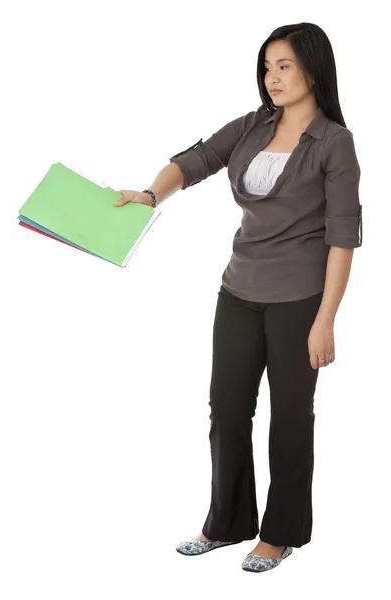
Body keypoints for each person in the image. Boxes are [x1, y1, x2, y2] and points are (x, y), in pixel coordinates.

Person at [115, 22, 363, 573]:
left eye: (285, 66)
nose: (272, 78)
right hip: (238, 291)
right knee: (226, 410)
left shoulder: (334, 143)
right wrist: (152, 193)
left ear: (314, 69)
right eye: (267, 66)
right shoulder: (252, 127)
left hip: (300, 299)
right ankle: (226, 522)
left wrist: (326, 320)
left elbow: (343, 237)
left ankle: (281, 533)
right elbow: (196, 160)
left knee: (291, 417)